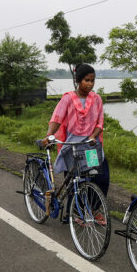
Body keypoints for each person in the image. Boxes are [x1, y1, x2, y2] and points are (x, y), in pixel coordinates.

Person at [42, 64, 109, 198]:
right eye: (87, 80)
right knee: (74, 181)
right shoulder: (68, 98)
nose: (90, 84)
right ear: (78, 80)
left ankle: (94, 210)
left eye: (92, 80)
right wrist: (49, 135)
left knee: (100, 178)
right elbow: (57, 119)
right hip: (73, 145)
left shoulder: (97, 99)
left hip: (90, 145)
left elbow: (99, 122)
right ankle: (74, 213)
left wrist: (94, 135)